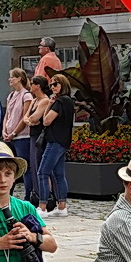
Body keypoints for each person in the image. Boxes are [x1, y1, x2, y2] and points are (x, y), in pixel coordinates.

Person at [34, 77, 74, 218]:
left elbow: (46, 121)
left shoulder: (60, 101)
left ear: (62, 85)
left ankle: (42, 206)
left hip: (55, 141)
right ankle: (62, 206)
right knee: (58, 174)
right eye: (51, 85)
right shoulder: (68, 101)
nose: (52, 87)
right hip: (63, 141)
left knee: (43, 172)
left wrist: (50, 106)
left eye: (55, 84)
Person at [2, 68, 34, 193]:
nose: (10, 79)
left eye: (12, 77)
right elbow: (7, 115)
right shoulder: (11, 95)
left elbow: (24, 117)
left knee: (25, 166)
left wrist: (14, 132)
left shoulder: (26, 96)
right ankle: (8, 192)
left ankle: (29, 193)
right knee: (9, 165)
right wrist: (4, 130)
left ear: (19, 78)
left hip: (22, 136)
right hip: (9, 135)